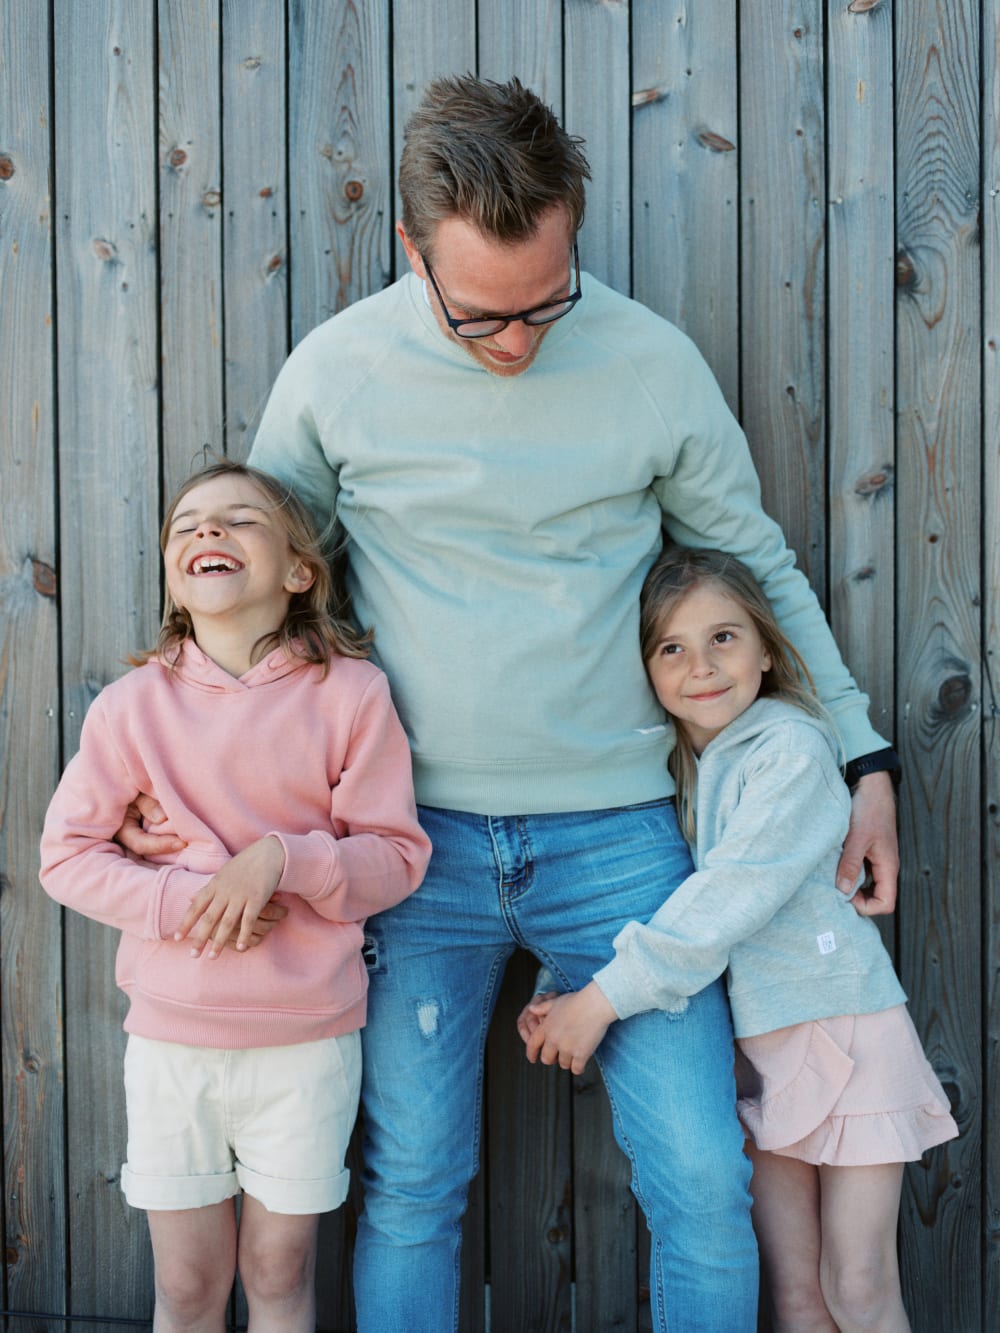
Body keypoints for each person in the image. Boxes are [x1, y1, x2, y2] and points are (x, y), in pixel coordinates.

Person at [120, 76, 900, 1331]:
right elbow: (249, 590)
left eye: (548, 301)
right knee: (414, 1185)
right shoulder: (335, 375)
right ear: (410, 250)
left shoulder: (648, 362)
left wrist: (864, 759)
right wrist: (177, 786)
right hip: (408, 849)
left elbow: (752, 568)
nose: (521, 340)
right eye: (484, 318)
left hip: (621, 837)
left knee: (704, 1178)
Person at [520, 546, 956, 1332]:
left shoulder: (791, 748)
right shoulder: (686, 768)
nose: (702, 666)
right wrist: (558, 983)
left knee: (857, 1287)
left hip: (843, 1026)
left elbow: (731, 895)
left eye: (724, 637)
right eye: (672, 648)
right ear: (646, 671)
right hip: (764, 1049)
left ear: (764, 646)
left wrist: (603, 1000)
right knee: (795, 1298)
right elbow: (639, 893)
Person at [40, 460, 430, 1333]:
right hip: (174, 1044)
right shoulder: (131, 708)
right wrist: (192, 899)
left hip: (306, 1043)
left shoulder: (353, 695)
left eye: (238, 520)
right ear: (175, 579)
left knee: (279, 1270)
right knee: (185, 1285)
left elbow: (397, 857)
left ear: (299, 570)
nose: (207, 533)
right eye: (187, 525)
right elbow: (66, 857)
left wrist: (280, 860)